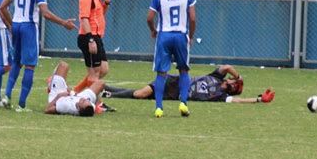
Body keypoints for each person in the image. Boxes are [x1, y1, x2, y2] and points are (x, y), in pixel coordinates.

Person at [0, 0, 76, 112]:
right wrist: (63, 23)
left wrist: (11, 24)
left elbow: (2, 7)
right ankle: (21, 105)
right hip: (29, 27)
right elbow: (45, 13)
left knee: (16, 62)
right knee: (29, 65)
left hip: (17, 24)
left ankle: (6, 96)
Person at [147, 0, 196, 118]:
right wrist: (191, 36)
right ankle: (183, 103)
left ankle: (159, 108)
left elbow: (149, 18)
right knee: (183, 70)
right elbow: (193, 18)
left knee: (162, 73)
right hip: (181, 35)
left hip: (165, 36)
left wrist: (153, 30)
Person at [103, 65, 275, 103]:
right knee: (141, 94)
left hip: (173, 95)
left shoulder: (220, 96)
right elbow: (227, 67)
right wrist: (240, 76)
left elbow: (237, 101)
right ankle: (109, 93)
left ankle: (108, 90)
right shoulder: (216, 77)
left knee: (141, 94)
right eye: (232, 81)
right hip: (174, 82)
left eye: (232, 85)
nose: (229, 82)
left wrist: (258, 99)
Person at [74, 0, 115, 112]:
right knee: (94, 73)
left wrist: (107, 4)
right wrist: (90, 39)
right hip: (89, 37)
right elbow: (84, 19)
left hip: (97, 37)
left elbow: (99, 15)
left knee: (103, 70)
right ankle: (97, 104)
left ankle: (77, 90)